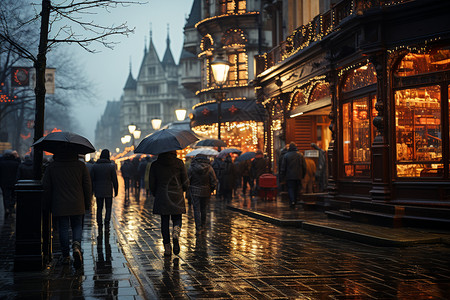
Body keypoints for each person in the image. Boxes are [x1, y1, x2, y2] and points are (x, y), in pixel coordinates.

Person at [42, 151, 92, 268]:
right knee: (77, 225)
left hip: (59, 202)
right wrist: (87, 203)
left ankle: (66, 256)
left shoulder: (52, 166)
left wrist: (47, 204)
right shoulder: (81, 166)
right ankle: (76, 246)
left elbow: (46, 186)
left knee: (63, 228)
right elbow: (87, 185)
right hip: (77, 202)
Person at [149, 151, 189, 257]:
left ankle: (167, 248)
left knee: (164, 221)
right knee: (177, 218)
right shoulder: (179, 163)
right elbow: (185, 181)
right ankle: (176, 231)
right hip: (176, 195)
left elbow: (152, 184)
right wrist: (184, 189)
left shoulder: (155, 164)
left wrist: (155, 193)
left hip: (162, 195)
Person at [90, 149, 118, 233]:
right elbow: (114, 180)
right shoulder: (111, 166)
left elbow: (92, 179)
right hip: (108, 190)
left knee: (99, 207)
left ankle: (99, 222)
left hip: (98, 190)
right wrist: (116, 190)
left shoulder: (95, 166)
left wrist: (92, 190)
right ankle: (107, 221)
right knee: (108, 207)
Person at [188, 154, 217, 234]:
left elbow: (187, 180)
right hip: (206, 191)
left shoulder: (192, 167)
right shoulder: (209, 168)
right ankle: (203, 225)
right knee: (204, 209)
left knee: (196, 210)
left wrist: (189, 188)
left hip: (194, 191)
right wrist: (211, 189)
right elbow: (214, 180)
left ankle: (198, 228)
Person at [280, 142, 306, 208]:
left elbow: (283, 167)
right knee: (297, 188)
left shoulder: (286, 155)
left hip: (289, 176)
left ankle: (292, 201)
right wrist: (303, 175)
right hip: (298, 175)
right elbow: (304, 166)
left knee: (291, 188)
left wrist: (282, 175)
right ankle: (295, 200)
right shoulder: (300, 155)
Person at [0, 150, 20, 216]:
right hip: (14, 182)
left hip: (4, 183)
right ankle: (11, 206)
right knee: (14, 196)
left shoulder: (1, 163)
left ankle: (7, 208)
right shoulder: (15, 163)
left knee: (6, 196)